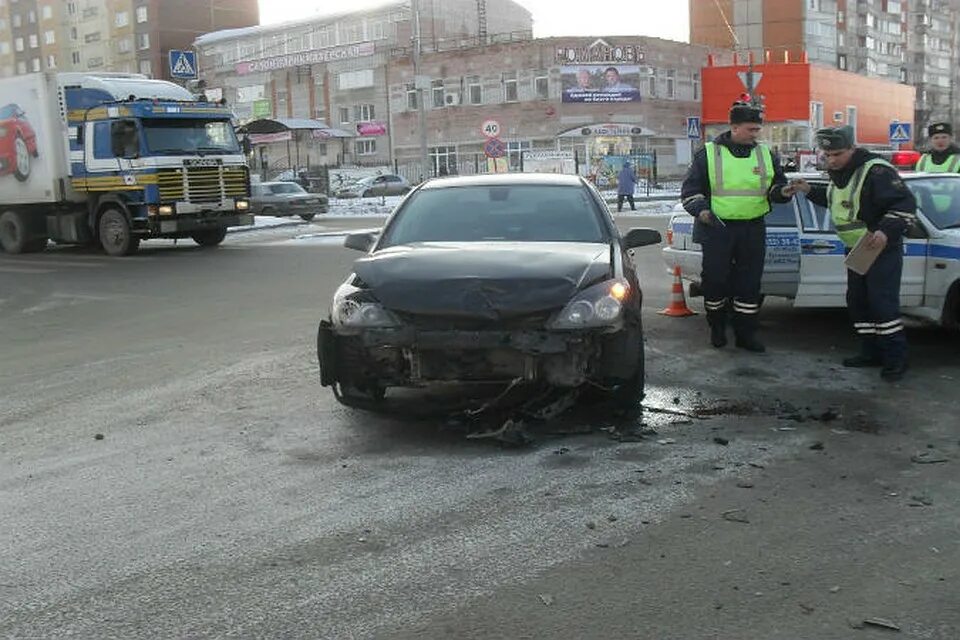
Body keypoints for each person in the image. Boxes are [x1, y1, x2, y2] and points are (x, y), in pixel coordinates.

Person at [789, 126, 917, 382]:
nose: (832, 159)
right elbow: (837, 203)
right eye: (827, 154)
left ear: (852, 149)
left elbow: (904, 205)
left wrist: (885, 232)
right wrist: (808, 190)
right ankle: (870, 352)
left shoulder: (876, 170)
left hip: (879, 247)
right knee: (858, 301)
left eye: (837, 153)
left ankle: (895, 359)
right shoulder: (840, 174)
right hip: (857, 249)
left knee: (882, 303)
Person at [680, 101, 791, 352]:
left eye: (757, 130)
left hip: (753, 228)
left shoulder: (766, 154)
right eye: (751, 129)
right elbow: (690, 192)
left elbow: (775, 189)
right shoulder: (707, 153)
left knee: (749, 284)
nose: (756, 134)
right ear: (735, 127)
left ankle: (745, 335)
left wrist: (784, 192)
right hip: (718, 228)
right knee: (715, 282)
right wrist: (702, 211)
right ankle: (717, 328)